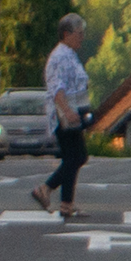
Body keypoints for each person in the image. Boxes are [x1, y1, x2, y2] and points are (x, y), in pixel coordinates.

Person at [33, 14, 93, 219]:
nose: (82, 37)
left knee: (76, 156)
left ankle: (66, 203)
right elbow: (57, 87)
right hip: (64, 114)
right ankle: (46, 189)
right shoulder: (59, 56)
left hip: (73, 112)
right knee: (75, 156)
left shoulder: (70, 54)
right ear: (66, 34)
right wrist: (67, 110)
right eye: (79, 33)